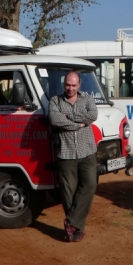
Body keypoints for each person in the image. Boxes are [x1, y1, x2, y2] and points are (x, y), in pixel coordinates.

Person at [48, 71, 98, 242]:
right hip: (66, 152)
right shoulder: (55, 101)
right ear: (64, 84)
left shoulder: (87, 99)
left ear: (79, 85)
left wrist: (68, 116)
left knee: (90, 185)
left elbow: (93, 115)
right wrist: (80, 124)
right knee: (69, 192)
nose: (70, 88)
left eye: (73, 85)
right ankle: (77, 229)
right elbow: (55, 120)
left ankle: (71, 222)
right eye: (67, 85)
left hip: (87, 150)